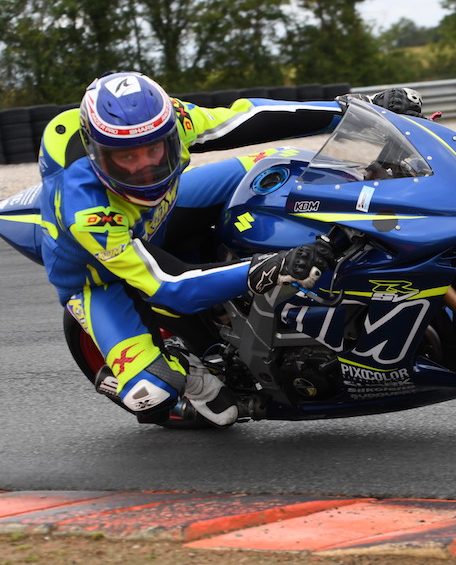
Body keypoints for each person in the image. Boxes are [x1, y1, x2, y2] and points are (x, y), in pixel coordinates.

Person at [38, 71, 423, 428]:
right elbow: (169, 284)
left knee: (276, 163)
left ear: (169, 132)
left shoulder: (167, 118)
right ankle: (167, 374)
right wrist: (273, 268)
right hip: (99, 276)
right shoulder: (87, 210)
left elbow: (245, 118)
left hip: (160, 210)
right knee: (155, 394)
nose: (144, 168)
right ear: (96, 153)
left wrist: (359, 110)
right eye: (126, 158)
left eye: (154, 150)